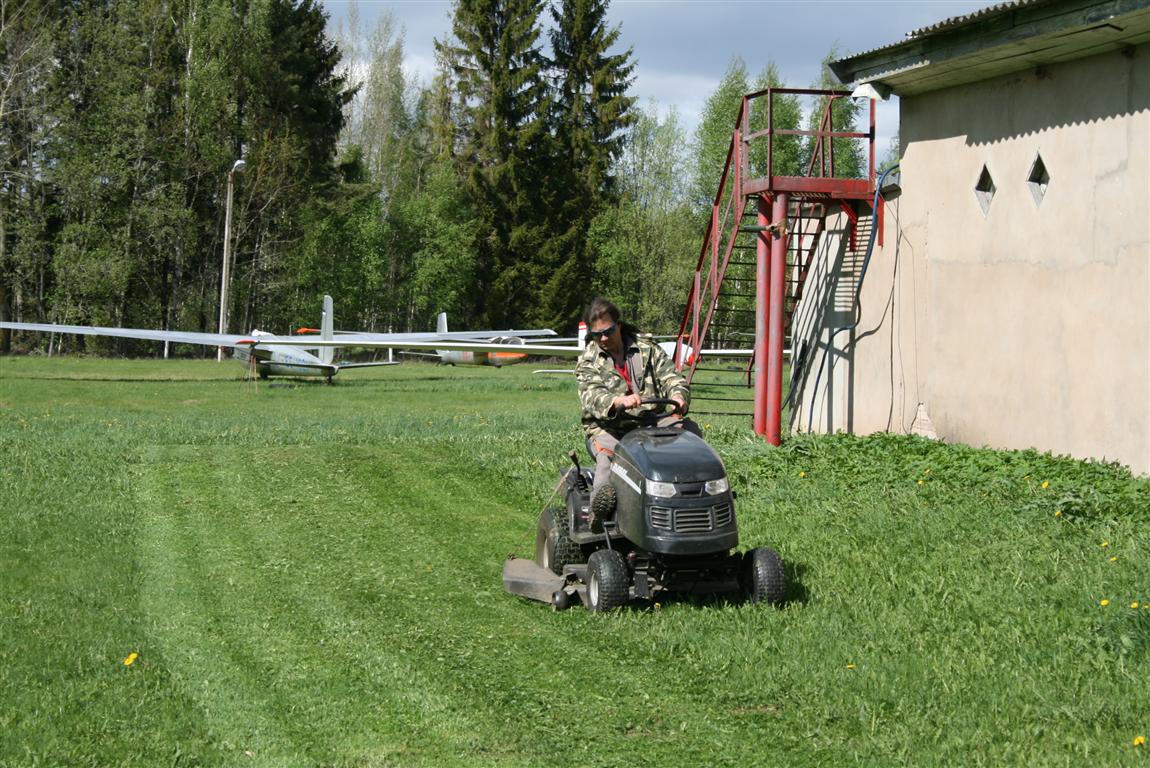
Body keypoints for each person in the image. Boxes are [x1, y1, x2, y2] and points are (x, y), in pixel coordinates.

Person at [575, 297, 700, 529]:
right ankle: (599, 518)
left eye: (608, 331)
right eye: (596, 334)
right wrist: (618, 401)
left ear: (619, 326)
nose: (603, 338)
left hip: (652, 422)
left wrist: (680, 396)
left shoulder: (648, 349)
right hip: (610, 429)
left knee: (690, 435)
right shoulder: (588, 361)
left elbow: (672, 377)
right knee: (606, 462)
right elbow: (592, 397)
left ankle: (693, 499)